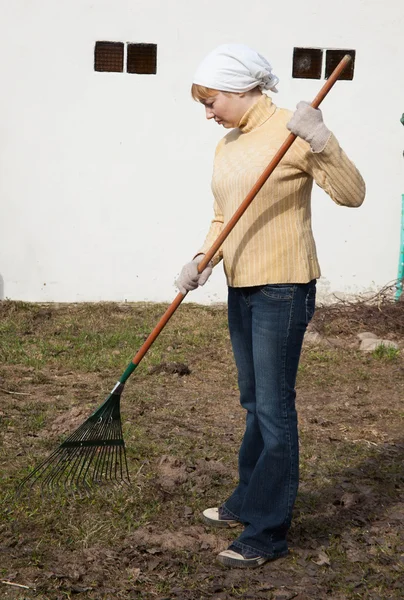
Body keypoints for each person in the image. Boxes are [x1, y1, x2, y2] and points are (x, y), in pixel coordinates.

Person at [176, 43, 365, 568]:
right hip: (242, 285)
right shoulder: (230, 145)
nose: (208, 112)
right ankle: (247, 499)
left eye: (211, 100)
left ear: (239, 89)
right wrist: (201, 258)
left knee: (276, 412)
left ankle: (266, 533)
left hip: (284, 288)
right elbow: (223, 213)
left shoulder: (293, 128)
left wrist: (323, 140)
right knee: (254, 402)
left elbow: (353, 195)